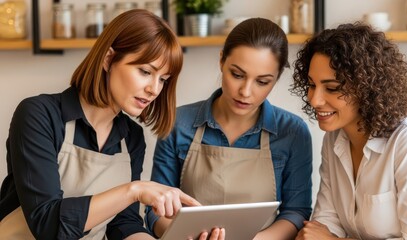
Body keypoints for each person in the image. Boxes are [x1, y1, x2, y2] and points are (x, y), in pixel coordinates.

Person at [0, 9, 208, 240]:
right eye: (145, 71)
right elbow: (47, 224)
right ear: (109, 59)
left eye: (163, 80)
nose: (154, 89)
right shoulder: (39, 115)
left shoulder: (131, 137)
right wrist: (135, 190)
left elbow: (122, 224)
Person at [145, 17, 313, 239]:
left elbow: (296, 212)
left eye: (262, 82)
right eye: (237, 74)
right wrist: (184, 236)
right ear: (222, 60)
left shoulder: (293, 132)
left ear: (277, 78)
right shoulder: (178, 123)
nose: (245, 91)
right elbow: (156, 210)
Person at [291, 22, 407, 239]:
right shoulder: (333, 140)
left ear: (367, 88)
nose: (314, 100)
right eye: (312, 85)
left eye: (332, 88)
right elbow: (324, 224)